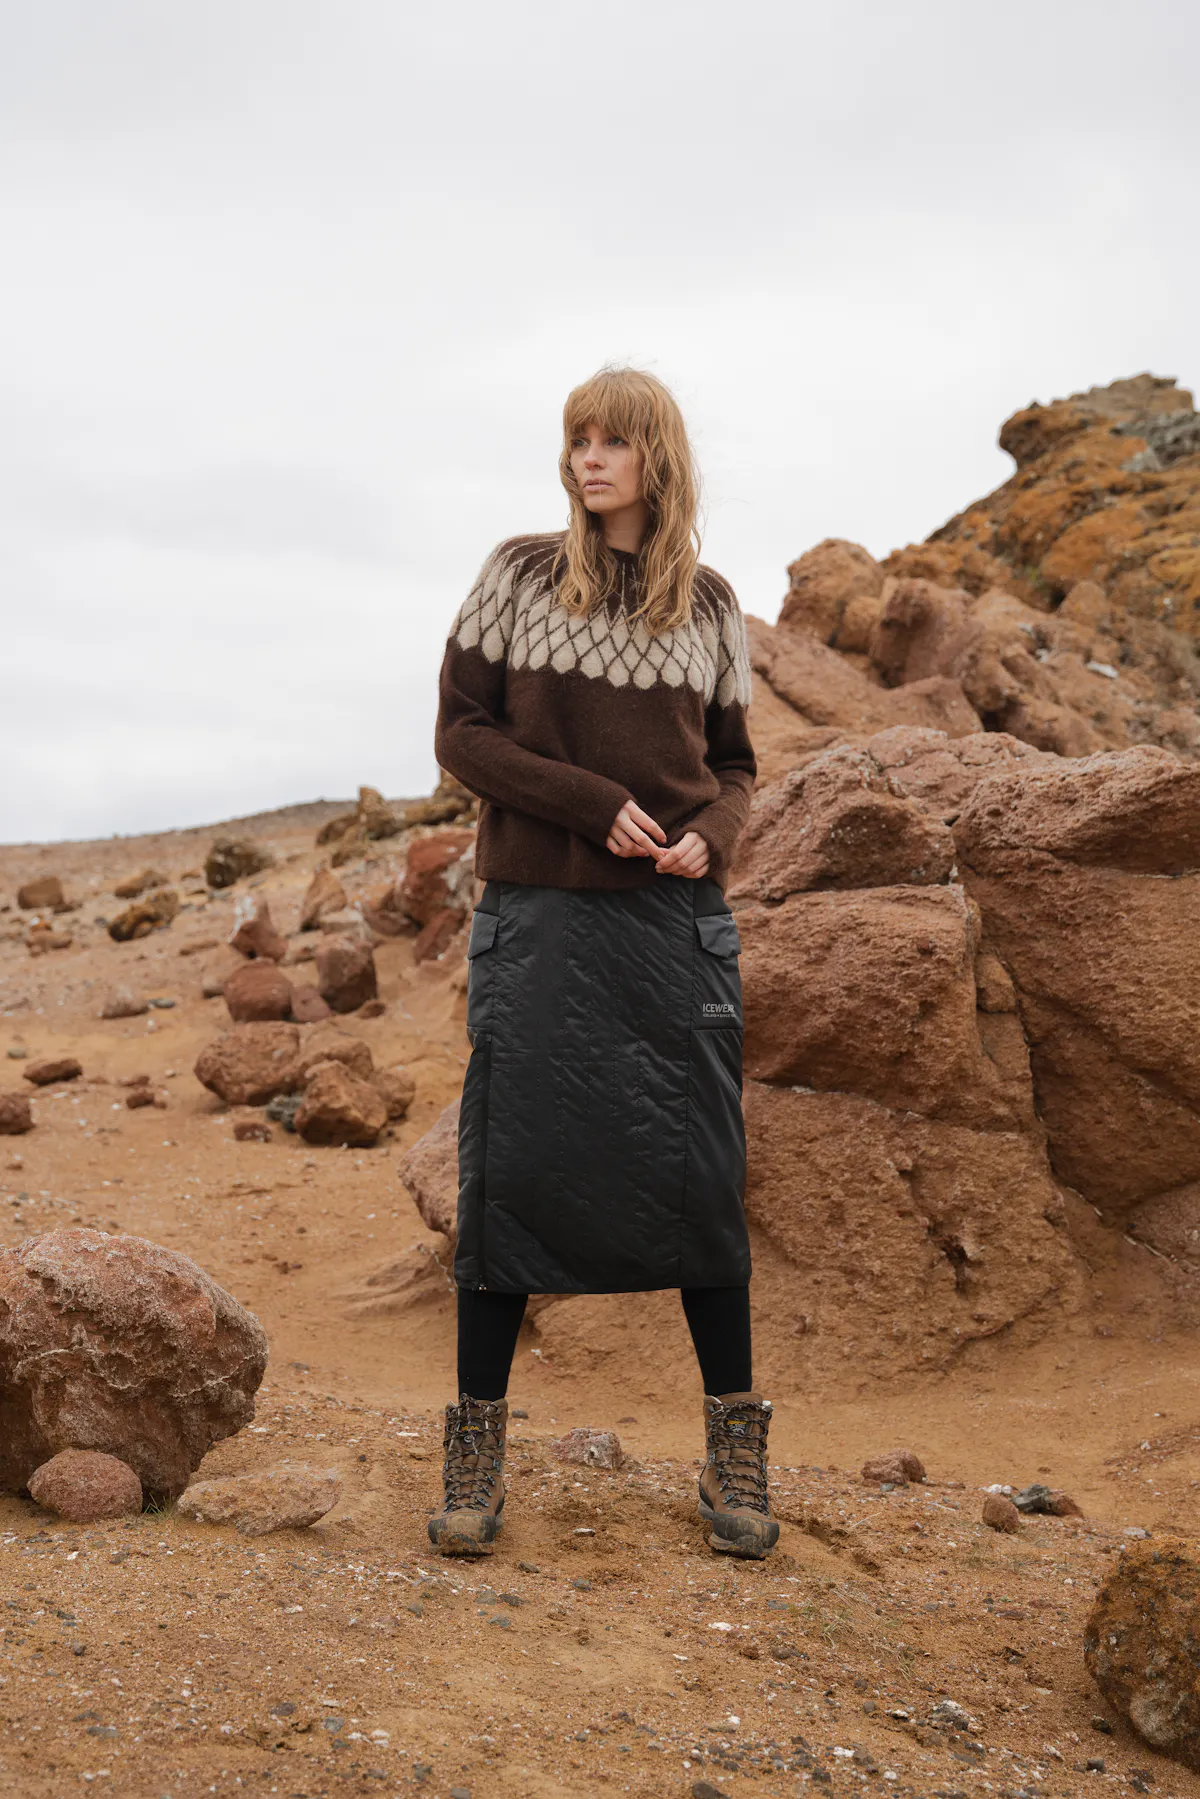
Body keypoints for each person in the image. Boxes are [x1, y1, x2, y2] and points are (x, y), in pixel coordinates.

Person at [428, 365, 777, 1561]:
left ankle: (734, 1444)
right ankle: (475, 1447)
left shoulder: (712, 604)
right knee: (509, 1175)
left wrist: (709, 835)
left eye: (612, 442)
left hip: (671, 930)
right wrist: (592, 803)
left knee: (700, 1184)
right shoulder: (520, 575)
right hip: (540, 918)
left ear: (654, 458)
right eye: (577, 439)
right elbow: (460, 734)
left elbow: (735, 766)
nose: (588, 459)